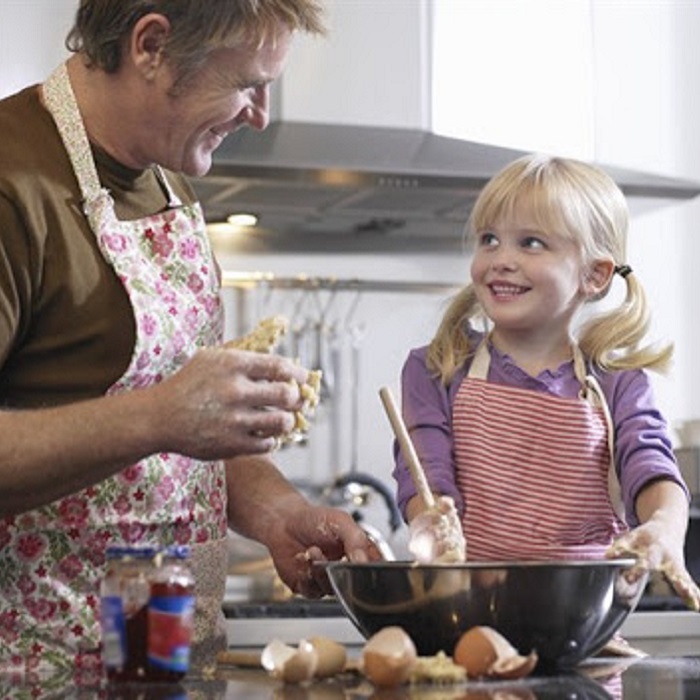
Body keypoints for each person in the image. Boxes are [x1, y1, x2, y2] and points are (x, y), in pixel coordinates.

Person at [0, 0, 379, 680]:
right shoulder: (10, 181)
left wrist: (279, 513)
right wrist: (159, 414)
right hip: (37, 670)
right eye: (246, 83)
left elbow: (190, 435)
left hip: (159, 655)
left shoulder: (171, 183)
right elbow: (165, 415)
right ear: (151, 46)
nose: (259, 114)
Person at [392, 153, 700, 611]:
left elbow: (649, 465)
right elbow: (426, 481)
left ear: (594, 274)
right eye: (489, 239)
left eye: (531, 243)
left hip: (584, 625)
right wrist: (428, 524)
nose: (501, 260)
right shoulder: (438, 367)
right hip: (468, 617)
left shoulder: (616, 381)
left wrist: (666, 526)